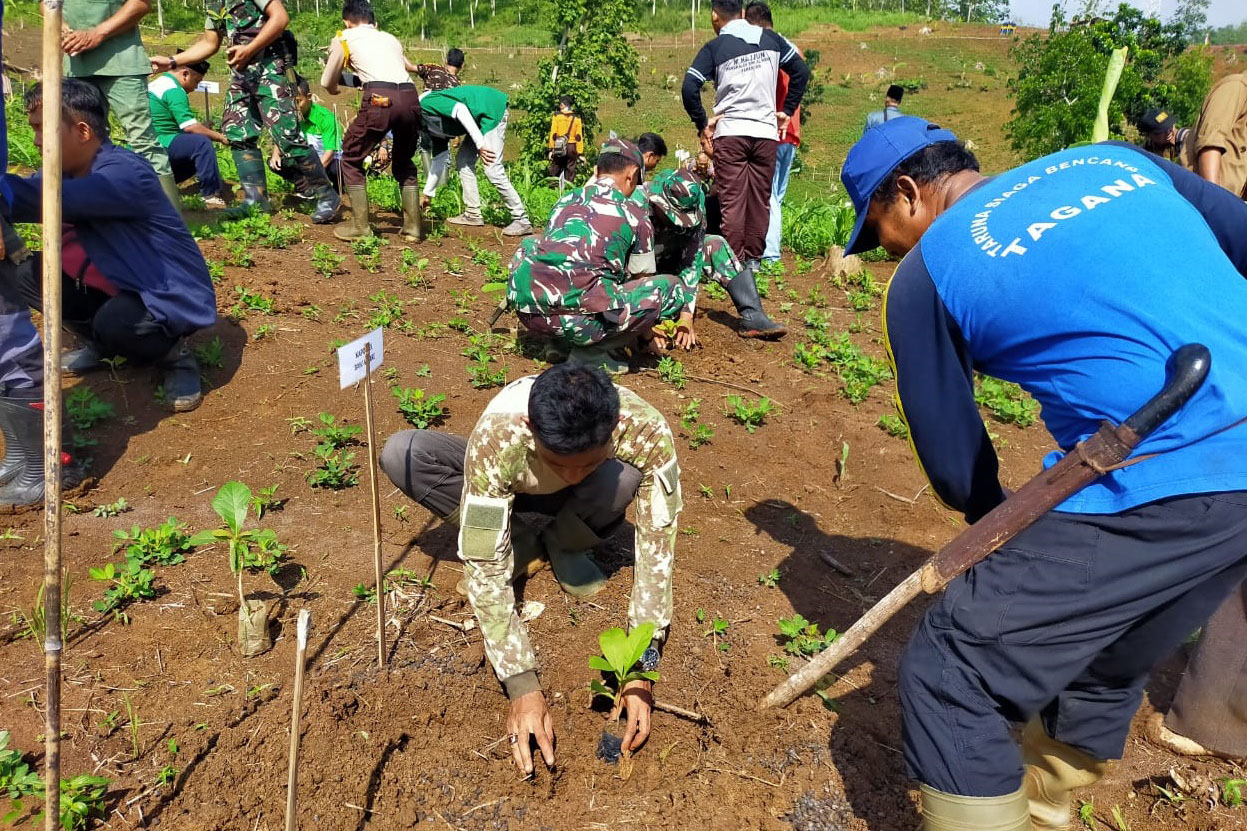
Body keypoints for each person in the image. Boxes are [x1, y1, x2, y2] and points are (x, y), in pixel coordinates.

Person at [842, 115, 1247, 829]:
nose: (883, 252)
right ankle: (1037, 806)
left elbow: (952, 460)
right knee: (1111, 634)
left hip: (1162, 451)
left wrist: (1002, 528)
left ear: (906, 192)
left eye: (877, 231)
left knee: (949, 674)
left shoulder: (924, 276)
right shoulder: (1114, 160)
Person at [378, 362, 681, 777]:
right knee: (403, 452)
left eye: (584, 464)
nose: (571, 474)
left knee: (625, 476)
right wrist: (521, 685)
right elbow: (483, 570)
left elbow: (656, 553)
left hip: (586, 501)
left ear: (615, 428)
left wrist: (641, 668)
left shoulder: (645, 429)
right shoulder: (499, 437)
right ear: (528, 425)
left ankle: (566, 540)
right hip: (515, 484)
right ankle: (520, 538)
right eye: (558, 462)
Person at [0, 80, 215, 507]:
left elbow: (43, 198)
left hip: (163, 297)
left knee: (119, 321)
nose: (37, 140)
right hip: (110, 285)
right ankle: (101, 342)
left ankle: (175, 354)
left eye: (45, 129)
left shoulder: (124, 173)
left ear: (82, 131)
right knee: (26, 274)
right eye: (32, 129)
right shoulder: (60, 171)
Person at [149, 0, 340, 222]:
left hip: (271, 69)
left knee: (287, 135)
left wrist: (249, 48)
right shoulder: (214, 3)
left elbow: (280, 18)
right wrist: (172, 61)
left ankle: (326, 194)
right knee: (237, 131)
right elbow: (210, 43)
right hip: (241, 75)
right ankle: (255, 200)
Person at [507, 139, 682, 373]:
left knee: (533, 243)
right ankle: (590, 354)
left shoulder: (564, 201)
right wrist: (644, 337)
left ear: (596, 171)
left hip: (532, 318)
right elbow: (641, 281)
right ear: (632, 174)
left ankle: (557, 344)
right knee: (672, 288)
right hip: (583, 325)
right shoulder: (635, 214)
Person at [682, 0, 808, 266]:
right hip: (765, 133)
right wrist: (786, 109)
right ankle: (754, 262)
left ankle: (733, 267)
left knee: (733, 202)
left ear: (715, 16)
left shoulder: (714, 47)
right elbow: (800, 71)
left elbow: (689, 87)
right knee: (760, 201)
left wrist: (702, 123)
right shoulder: (771, 39)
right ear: (741, 13)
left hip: (732, 133)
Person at [319, 0, 421, 241]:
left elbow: (326, 82)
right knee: (404, 162)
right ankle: (413, 228)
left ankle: (360, 227)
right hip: (410, 97)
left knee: (352, 157)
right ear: (374, 22)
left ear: (346, 20)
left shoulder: (343, 37)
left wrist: (334, 89)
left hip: (379, 99)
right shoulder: (390, 38)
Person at [647, 167, 786, 343]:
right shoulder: (638, 205)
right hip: (643, 269)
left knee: (715, 244)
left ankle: (753, 316)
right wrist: (647, 323)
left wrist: (686, 316)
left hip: (675, 259)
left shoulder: (695, 207)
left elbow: (692, 259)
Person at [63, 0, 177, 206]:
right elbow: (47, 4)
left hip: (122, 61)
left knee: (143, 139)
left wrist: (97, 33)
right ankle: (92, 214)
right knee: (81, 139)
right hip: (75, 62)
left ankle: (168, 221)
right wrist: (61, 28)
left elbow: (141, 4)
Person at [420, 84, 532, 236]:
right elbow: (439, 158)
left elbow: (460, 109)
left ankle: (522, 220)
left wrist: (480, 144)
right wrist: (427, 194)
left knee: (492, 167)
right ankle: (473, 213)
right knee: (464, 160)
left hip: (490, 109)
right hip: (479, 118)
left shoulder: (425, 103)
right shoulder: (426, 126)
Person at [745, 2, 801, 263]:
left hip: (773, 130)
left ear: (754, 23)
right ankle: (771, 250)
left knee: (766, 195)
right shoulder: (792, 47)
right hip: (791, 132)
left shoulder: (770, 48)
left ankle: (769, 254)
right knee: (776, 194)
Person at [1138, 74, 1247, 199]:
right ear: (1149, 135)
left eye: (1169, 127)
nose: (1168, 133)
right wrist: (1215, 202)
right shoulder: (1236, 88)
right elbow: (1210, 144)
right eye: (1160, 132)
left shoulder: (1183, 137)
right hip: (1193, 197)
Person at [147, 55, 228, 207]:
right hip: (162, 143)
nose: (195, 87)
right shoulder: (174, 90)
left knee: (195, 151)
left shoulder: (157, 84)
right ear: (185, 74)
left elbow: (168, 124)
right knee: (201, 144)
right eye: (196, 81)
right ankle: (210, 195)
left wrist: (202, 127)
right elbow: (190, 127)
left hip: (149, 145)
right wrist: (220, 137)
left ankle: (162, 187)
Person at [271, 76, 342, 193]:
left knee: (338, 168)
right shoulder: (290, 115)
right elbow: (282, 137)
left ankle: (334, 189)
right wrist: (275, 154)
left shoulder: (326, 118)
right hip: (307, 163)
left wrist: (312, 175)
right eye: (291, 102)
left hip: (328, 163)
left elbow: (329, 153)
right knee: (276, 162)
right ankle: (302, 186)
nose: (295, 107)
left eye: (298, 101)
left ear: (309, 97)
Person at [546, 95, 584, 182]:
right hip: (572, 147)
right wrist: (581, 153)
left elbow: (553, 134)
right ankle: (568, 188)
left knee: (555, 168)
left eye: (560, 104)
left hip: (559, 145)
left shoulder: (557, 116)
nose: (559, 106)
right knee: (570, 170)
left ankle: (552, 188)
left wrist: (551, 149)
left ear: (563, 105)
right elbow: (578, 137)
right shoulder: (577, 118)